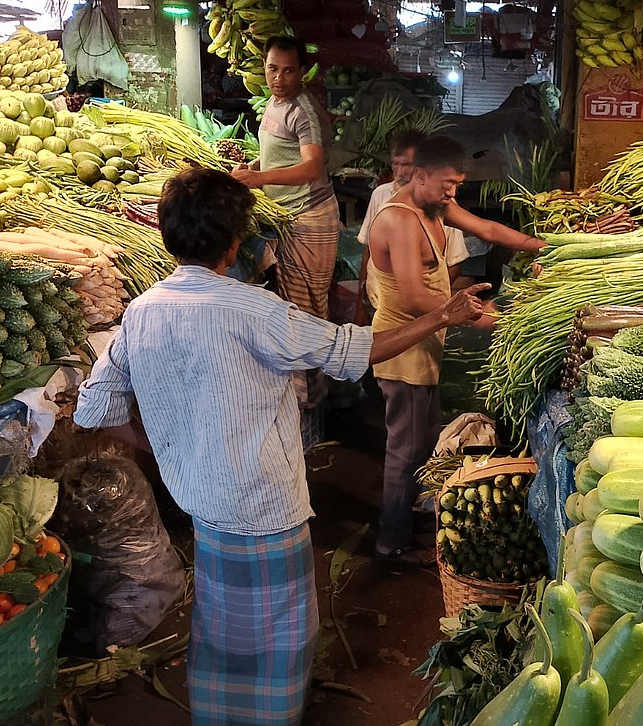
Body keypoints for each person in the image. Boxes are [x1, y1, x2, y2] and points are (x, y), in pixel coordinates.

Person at [73, 167, 488, 726]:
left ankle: (218, 715)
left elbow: (94, 410)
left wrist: (170, 446)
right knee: (278, 631)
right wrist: (443, 314)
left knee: (220, 624)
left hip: (203, 503)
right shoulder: (253, 310)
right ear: (234, 243)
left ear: (167, 235)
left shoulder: (141, 313)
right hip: (263, 504)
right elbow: (350, 349)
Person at [366, 135, 542, 564]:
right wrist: (480, 317)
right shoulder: (400, 220)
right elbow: (413, 297)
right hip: (402, 348)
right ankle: (391, 542)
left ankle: (406, 516)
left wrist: (547, 247)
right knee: (406, 447)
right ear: (420, 175)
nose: (452, 192)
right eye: (447, 183)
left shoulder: (434, 206)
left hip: (426, 343)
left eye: (458, 185)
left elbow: (489, 230)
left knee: (423, 438)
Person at [232, 35, 338, 429]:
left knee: (307, 311)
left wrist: (258, 179)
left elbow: (311, 167)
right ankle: (307, 401)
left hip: (310, 219)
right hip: (288, 217)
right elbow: (282, 155)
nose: (278, 78)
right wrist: (254, 166)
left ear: (302, 72)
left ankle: (311, 410)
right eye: (272, 68)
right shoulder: (275, 104)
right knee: (296, 309)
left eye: (288, 70)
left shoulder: (303, 109)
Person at [355, 129, 469, 323]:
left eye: (406, 165)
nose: (399, 172)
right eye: (395, 164)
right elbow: (368, 249)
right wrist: (361, 300)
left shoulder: (442, 204)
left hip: (420, 312)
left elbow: (454, 263)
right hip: (380, 304)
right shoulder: (381, 195)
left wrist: (432, 307)